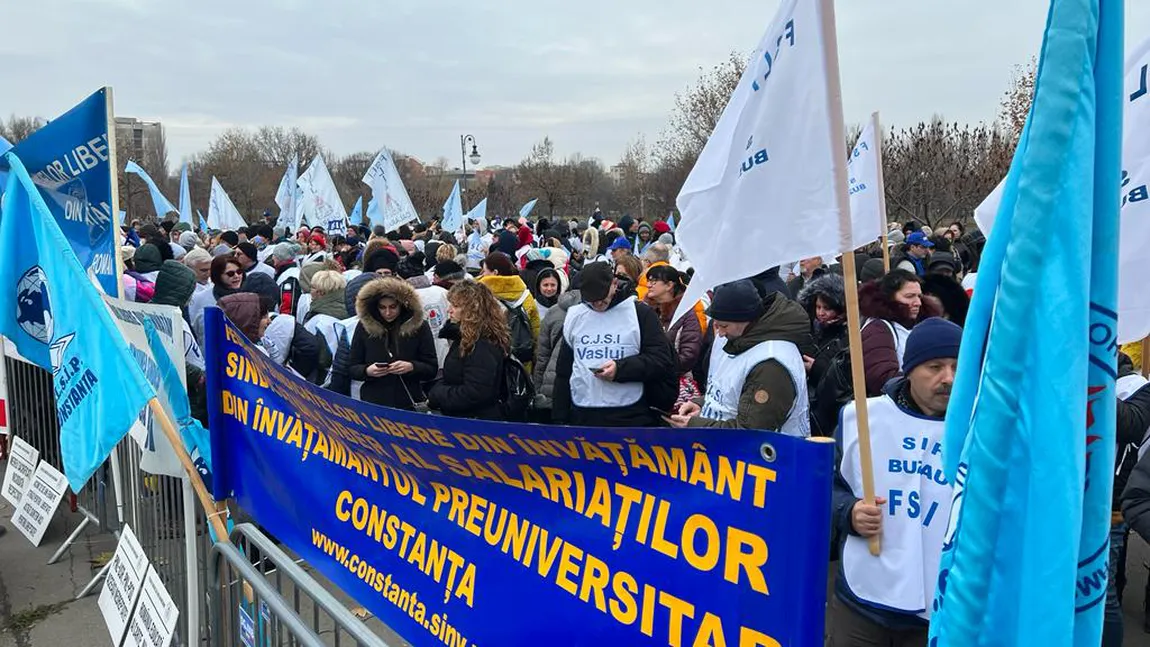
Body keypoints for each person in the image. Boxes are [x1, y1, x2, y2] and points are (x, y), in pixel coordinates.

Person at [828, 318, 961, 646]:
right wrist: (849, 513)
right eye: (935, 366)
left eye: (958, 366)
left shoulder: (981, 428)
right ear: (910, 369)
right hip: (863, 600)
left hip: (943, 607)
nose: (949, 378)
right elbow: (824, 489)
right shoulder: (861, 417)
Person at [666, 279, 812, 435]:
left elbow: (751, 431)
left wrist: (696, 424)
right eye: (717, 325)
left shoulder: (771, 365)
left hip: (769, 455)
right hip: (728, 451)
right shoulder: (737, 340)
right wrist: (702, 404)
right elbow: (731, 390)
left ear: (745, 319)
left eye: (724, 326)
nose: (720, 333)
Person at [552, 262, 676, 427]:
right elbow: (563, 372)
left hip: (631, 416)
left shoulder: (640, 313)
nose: (597, 305)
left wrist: (620, 369)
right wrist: (559, 418)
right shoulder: (575, 316)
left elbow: (661, 360)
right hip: (583, 415)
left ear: (614, 284)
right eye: (592, 300)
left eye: (602, 299)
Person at [348, 277, 438, 410]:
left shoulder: (419, 327)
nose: (388, 312)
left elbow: (431, 368)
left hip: (408, 402)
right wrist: (367, 371)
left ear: (402, 305)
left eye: (393, 307)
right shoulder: (364, 327)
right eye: (382, 308)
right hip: (374, 402)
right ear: (375, 307)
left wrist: (412, 367)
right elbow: (352, 367)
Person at [427, 282, 509, 421]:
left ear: (473, 310)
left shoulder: (481, 343)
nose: (449, 310)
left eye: (456, 306)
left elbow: (475, 392)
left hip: (475, 423)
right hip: (465, 418)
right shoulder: (466, 337)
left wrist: (437, 393)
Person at [859, 270, 940, 396]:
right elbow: (882, 378)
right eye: (909, 296)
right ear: (889, 298)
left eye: (919, 296)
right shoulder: (878, 329)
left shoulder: (919, 324)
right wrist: (928, 382)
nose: (918, 302)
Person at [797, 274, 849, 436]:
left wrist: (816, 368)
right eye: (818, 307)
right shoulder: (810, 328)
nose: (821, 313)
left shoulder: (846, 335)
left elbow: (843, 375)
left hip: (828, 410)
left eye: (827, 308)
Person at [644, 265, 703, 404]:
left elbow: (690, 354)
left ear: (669, 285)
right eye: (648, 281)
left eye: (654, 281)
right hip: (645, 381)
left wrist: (660, 368)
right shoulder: (644, 310)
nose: (648, 285)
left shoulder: (685, 314)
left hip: (674, 384)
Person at [398, 256, 451, 368]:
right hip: (445, 355)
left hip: (418, 361)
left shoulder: (404, 299)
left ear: (401, 278)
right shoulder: (442, 292)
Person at [479, 251, 541, 341]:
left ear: (495, 272)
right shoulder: (525, 294)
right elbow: (535, 327)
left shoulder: (481, 293)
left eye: (484, 271)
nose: (482, 275)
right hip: (519, 348)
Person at [190, 255, 245, 343]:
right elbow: (195, 329)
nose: (236, 276)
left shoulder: (248, 296)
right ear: (218, 275)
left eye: (239, 272)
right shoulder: (200, 298)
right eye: (230, 274)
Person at [302, 270, 348, 361]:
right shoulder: (349, 310)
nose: (310, 291)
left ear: (320, 292)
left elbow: (322, 359)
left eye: (312, 287)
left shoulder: (320, 322)